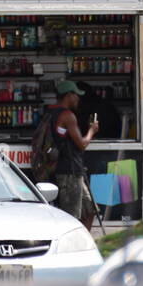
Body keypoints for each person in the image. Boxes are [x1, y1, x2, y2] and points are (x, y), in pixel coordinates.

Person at [46, 81, 97, 230]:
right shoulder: (67, 115)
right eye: (76, 96)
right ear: (69, 95)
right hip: (69, 172)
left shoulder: (50, 112)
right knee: (71, 217)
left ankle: (84, 244)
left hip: (70, 170)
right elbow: (82, 144)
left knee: (90, 210)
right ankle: (72, 246)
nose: (78, 99)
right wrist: (92, 131)